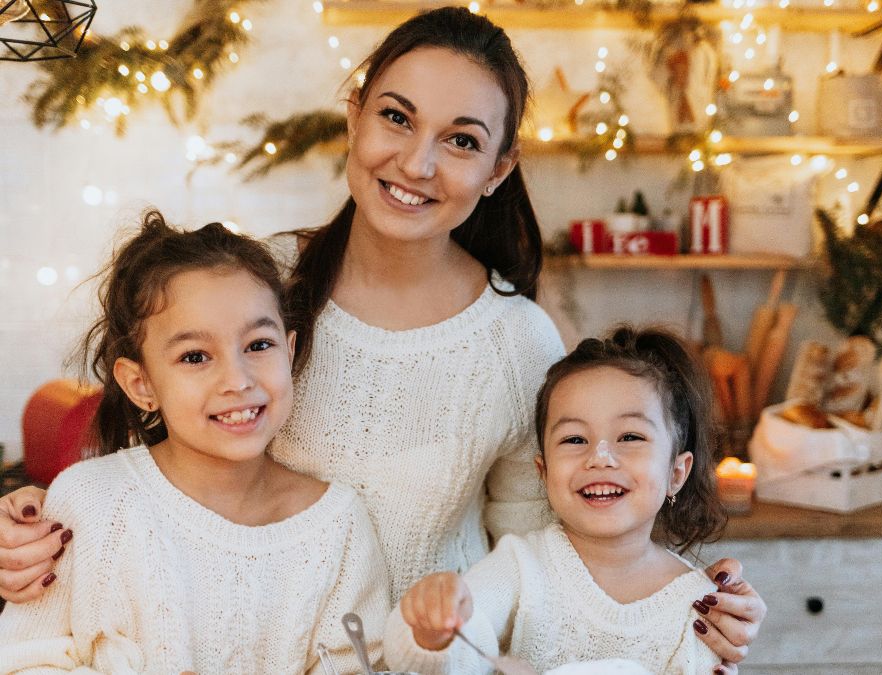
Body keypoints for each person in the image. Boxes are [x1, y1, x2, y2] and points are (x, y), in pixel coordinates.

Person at [0, 6, 763, 665]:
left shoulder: (517, 340)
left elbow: (563, 561)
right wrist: (33, 530)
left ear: (500, 168)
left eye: (462, 141)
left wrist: (688, 607)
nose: (417, 162)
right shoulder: (260, 292)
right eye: (396, 117)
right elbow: (149, 487)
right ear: (355, 114)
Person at [0, 212, 388, 674]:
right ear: (140, 383)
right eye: (195, 356)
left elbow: (359, 666)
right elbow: (22, 661)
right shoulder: (89, 502)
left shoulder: (338, 526)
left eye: (258, 345)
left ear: (289, 349)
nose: (237, 380)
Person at [384, 326, 736, 674]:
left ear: (676, 473)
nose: (601, 457)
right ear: (544, 471)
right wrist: (432, 630)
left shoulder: (699, 604)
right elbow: (462, 645)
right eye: (574, 439)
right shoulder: (522, 566)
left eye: (630, 436)